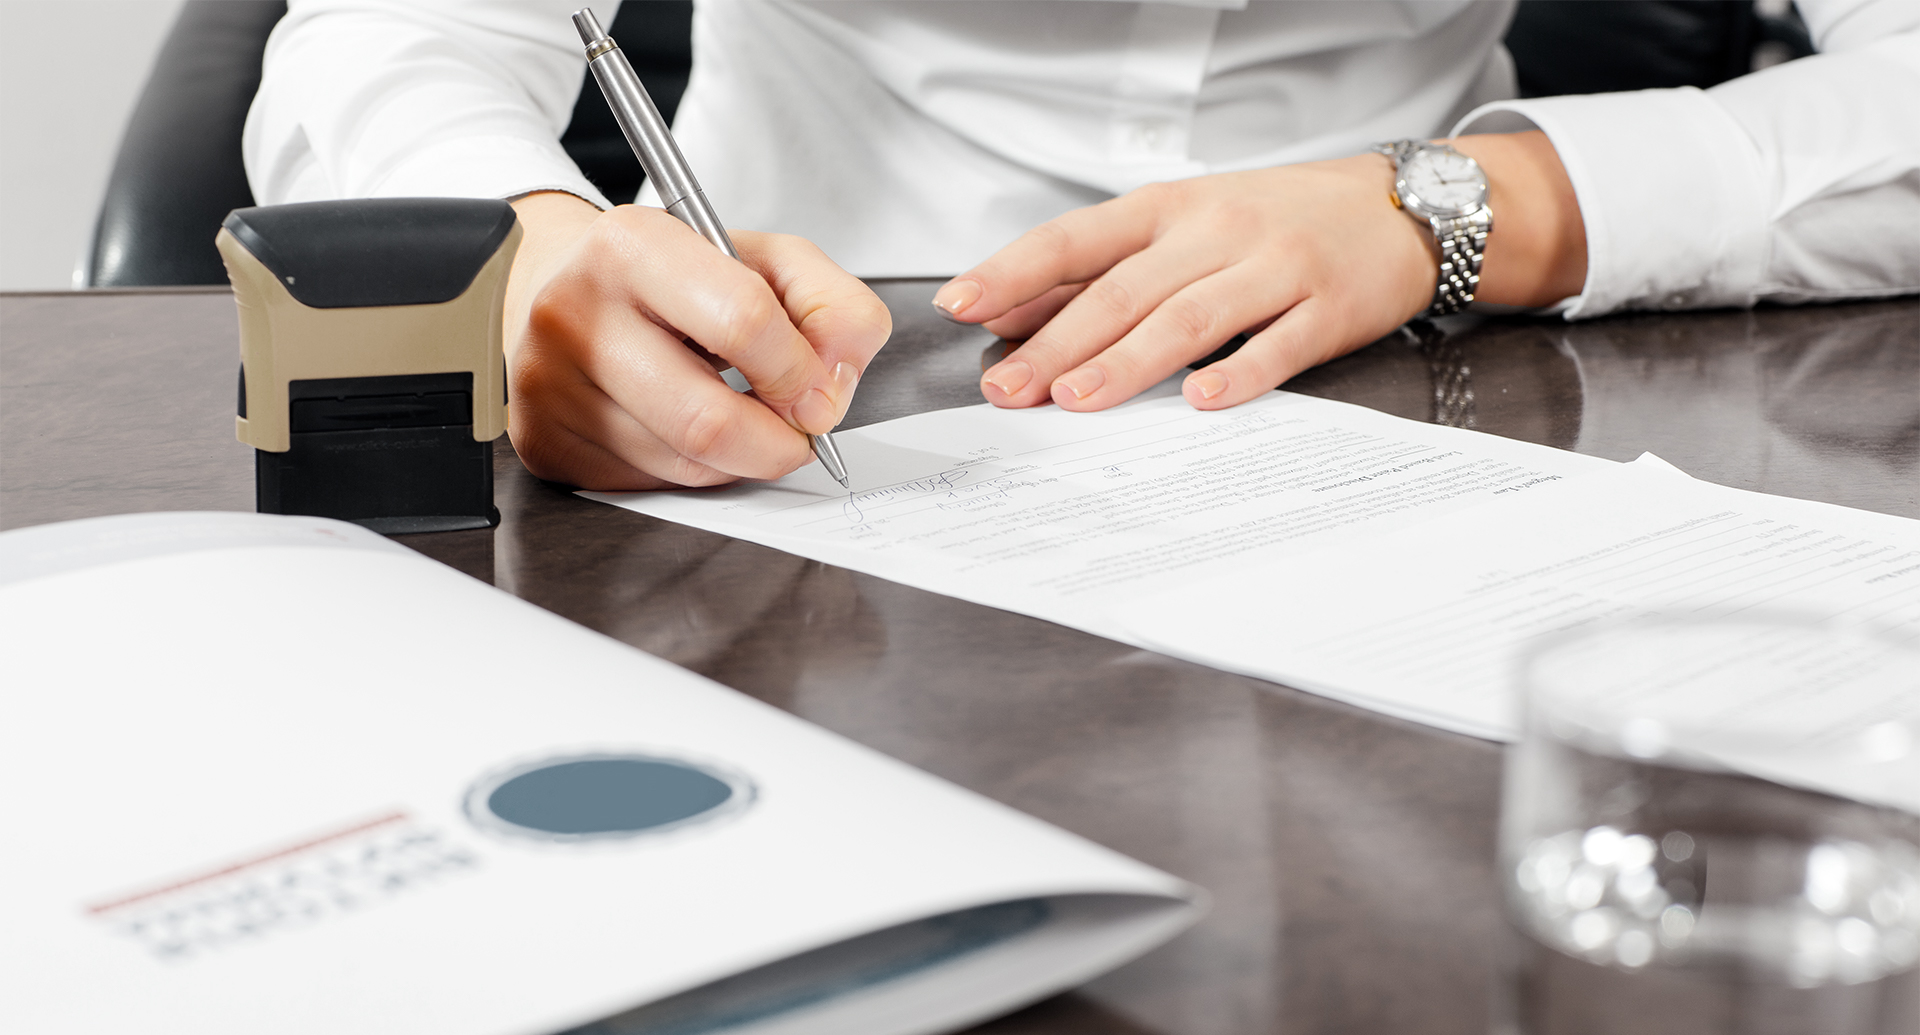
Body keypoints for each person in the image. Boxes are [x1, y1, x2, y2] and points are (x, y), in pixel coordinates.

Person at [245, 0, 1920, 491]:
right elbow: (394, 37)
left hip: (1444, 380)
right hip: (790, 394)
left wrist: (1456, 210)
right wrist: (524, 253)